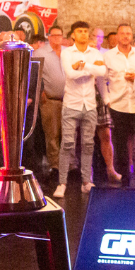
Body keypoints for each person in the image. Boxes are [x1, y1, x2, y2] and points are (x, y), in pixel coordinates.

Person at [54, 21, 106, 198]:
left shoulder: (96, 52)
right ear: (73, 35)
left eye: (86, 31)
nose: (83, 34)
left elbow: (102, 72)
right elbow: (70, 74)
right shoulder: (67, 53)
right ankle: (62, 182)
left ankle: (86, 181)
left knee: (88, 144)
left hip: (90, 104)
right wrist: (91, 69)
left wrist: (83, 66)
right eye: (80, 31)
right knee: (67, 143)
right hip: (72, 103)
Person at [103, 23, 135, 186]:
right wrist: (107, 99)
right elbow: (103, 79)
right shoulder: (108, 56)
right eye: (122, 33)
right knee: (120, 143)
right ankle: (124, 178)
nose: (125, 36)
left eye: (128, 33)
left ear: (132, 36)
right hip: (118, 104)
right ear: (117, 35)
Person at [34, 26, 66, 183]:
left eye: (60, 35)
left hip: (69, 100)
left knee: (68, 134)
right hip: (50, 100)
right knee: (52, 135)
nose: (57, 38)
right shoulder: (40, 53)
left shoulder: (68, 52)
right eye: (54, 36)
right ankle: (55, 166)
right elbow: (33, 73)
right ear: (49, 37)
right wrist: (40, 92)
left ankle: (69, 166)